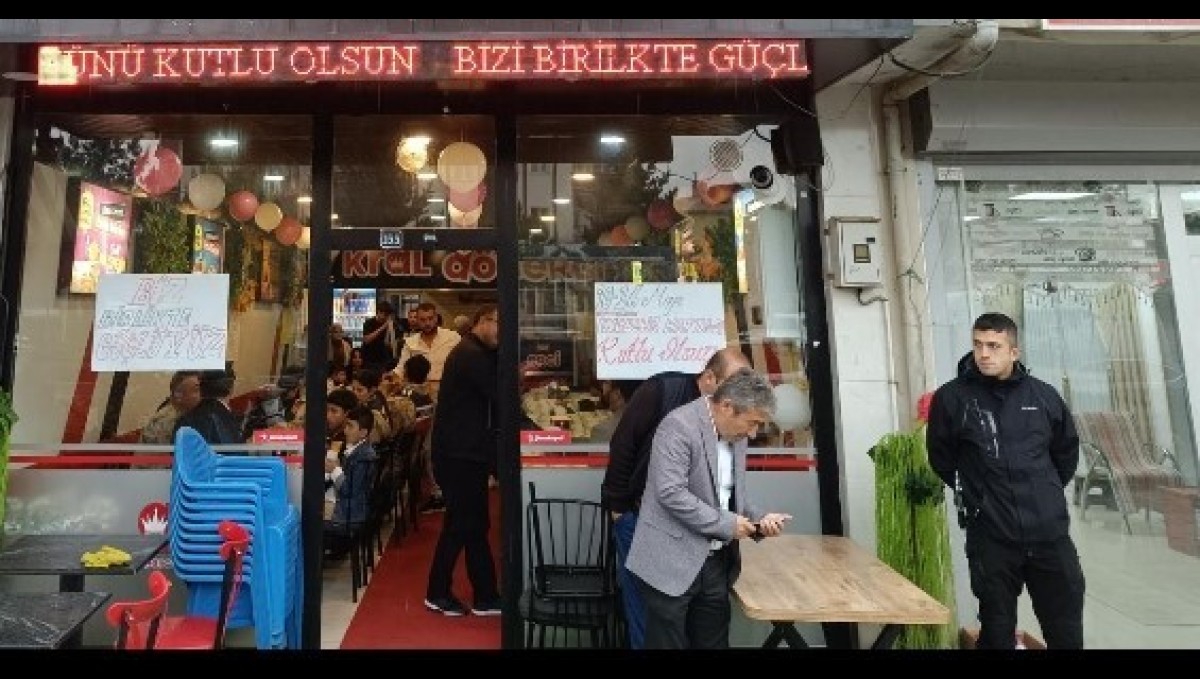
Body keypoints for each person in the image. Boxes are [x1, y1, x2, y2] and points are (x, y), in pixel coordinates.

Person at [926, 312, 1084, 650]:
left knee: (1065, 627)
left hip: (1049, 536)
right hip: (992, 537)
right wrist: (980, 497)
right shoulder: (952, 399)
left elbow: (1065, 454)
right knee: (997, 630)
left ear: (1014, 352)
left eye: (994, 346)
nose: (984, 354)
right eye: (978, 345)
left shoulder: (1043, 397)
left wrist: (1044, 494)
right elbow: (942, 459)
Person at [625, 368, 791, 649]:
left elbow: (728, 496)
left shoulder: (736, 435)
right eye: (752, 422)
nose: (753, 433)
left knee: (714, 642)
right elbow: (671, 493)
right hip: (671, 560)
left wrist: (760, 519)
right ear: (726, 406)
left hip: (715, 561)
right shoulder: (678, 425)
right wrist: (728, 524)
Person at [600, 346, 750, 649]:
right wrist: (619, 509)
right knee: (648, 618)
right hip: (644, 520)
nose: (740, 394)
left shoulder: (730, 418)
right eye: (734, 383)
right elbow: (623, 444)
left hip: (699, 533)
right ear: (709, 377)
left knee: (697, 623)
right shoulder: (661, 391)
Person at [424, 304, 502, 618]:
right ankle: (437, 592)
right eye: (498, 324)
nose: (502, 332)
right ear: (481, 321)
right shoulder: (471, 354)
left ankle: (486, 595)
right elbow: (500, 394)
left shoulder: (477, 352)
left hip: (465, 451)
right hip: (459, 454)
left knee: (474, 525)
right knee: (460, 525)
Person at [324, 406, 378, 559]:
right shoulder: (357, 451)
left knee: (308, 519)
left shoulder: (363, 457)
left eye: (350, 426)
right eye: (346, 425)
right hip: (352, 510)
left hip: (350, 516)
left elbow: (348, 490)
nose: (345, 430)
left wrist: (335, 469)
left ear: (363, 432)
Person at [394, 301, 461, 403]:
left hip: (448, 391)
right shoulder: (410, 342)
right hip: (420, 395)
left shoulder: (453, 337)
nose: (427, 323)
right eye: (423, 320)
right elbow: (400, 369)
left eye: (430, 318)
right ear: (417, 320)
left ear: (436, 318)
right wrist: (392, 379)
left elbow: (464, 365)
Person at [174, 364, 243, 447]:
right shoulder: (222, 418)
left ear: (202, 389)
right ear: (231, 389)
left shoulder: (184, 419)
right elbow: (233, 452)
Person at [140, 370, 202, 445]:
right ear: (178, 395)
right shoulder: (164, 424)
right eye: (196, 390)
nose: (203, 395)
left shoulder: (193, 414)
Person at [360, 300, 399, 373]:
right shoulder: (369, 323)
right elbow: (367, 340)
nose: (384, 317)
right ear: (378, 312)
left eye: (387, 315)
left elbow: (391, 342)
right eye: (383, 314)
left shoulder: (391, 324)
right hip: (369, 358)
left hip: (383, 359)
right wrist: (383, 327)